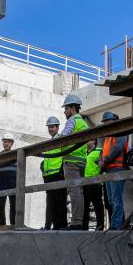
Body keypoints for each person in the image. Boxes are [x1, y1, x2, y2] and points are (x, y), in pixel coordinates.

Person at [58, 95, 89, 230]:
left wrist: (57, 139)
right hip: (81, 160)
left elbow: (63, 136)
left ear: (72, 108)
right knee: (79, 192)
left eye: (66, 108)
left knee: (74, 192)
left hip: (71, 161)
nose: (65, 112)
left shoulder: (72, 120)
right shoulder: (84, 123)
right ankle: (79, 221)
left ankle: (76, 222)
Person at [99, 111, 128, 230]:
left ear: (113, 121)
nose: (105, 124)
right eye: (104, 122)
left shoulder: (120, 132)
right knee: (112, 200)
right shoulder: (108, 137)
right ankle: (120, 223)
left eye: (107, 122)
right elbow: (103, 153)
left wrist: (105, 161)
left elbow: (117, 149)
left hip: (117, 169)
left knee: (116, 200)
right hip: (109, 170)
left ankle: (116, 226)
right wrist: (101, 161)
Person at [41, 116, 66, 230]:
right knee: (51, 203)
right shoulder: (49, 142)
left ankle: (62, 226)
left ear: (57, 127)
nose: (50, 129)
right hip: (48, 176)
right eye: (49, 127)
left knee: (60, 201)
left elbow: (65, 155)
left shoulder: (61, 139)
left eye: (52, 127)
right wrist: (42, 166)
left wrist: (62, 171)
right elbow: (47, 158)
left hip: (57, 175)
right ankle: (56, 226)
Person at [0, 132, 17, 226]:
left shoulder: (17, 155)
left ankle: (13, 225)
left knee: (13, 206)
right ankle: (2, 225)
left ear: (12, 144)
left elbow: (20, 171)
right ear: (2, 143)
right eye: (5, 142)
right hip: (2, 185)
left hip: (13, 185)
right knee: (1, 206)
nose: (6, 144)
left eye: (8, 142)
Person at [83, 139, 105, 230]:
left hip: (95, 183)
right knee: (84, 206)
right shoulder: (83, 153)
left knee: (98, 206)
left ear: (93, 141)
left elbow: (102, 165)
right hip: (84, 182)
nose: (86, 142)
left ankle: (100, 227)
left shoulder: (99, 151)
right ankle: (84, 227)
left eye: (88, 140)